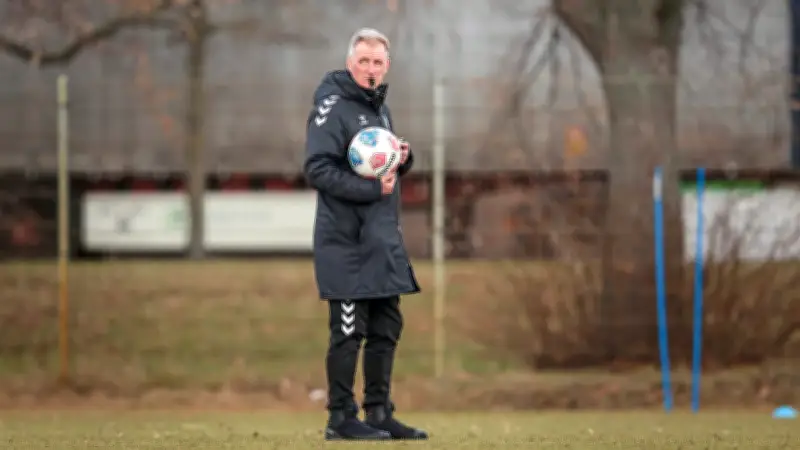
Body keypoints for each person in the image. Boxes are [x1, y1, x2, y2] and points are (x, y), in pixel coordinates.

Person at [303, 28, 428, 441]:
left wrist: (400, 160)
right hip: (346, 243)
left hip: (380, 240)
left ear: (386, 66)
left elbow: (378, 166)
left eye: (377, 62)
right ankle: (340, 418)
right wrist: (374, 188)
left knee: (387, 326)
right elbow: (318, 169)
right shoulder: (332, 105)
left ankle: (378, 412)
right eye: (363, 61)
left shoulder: (379, 110)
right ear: (349, 63)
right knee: (347, 330)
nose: (370, 69)